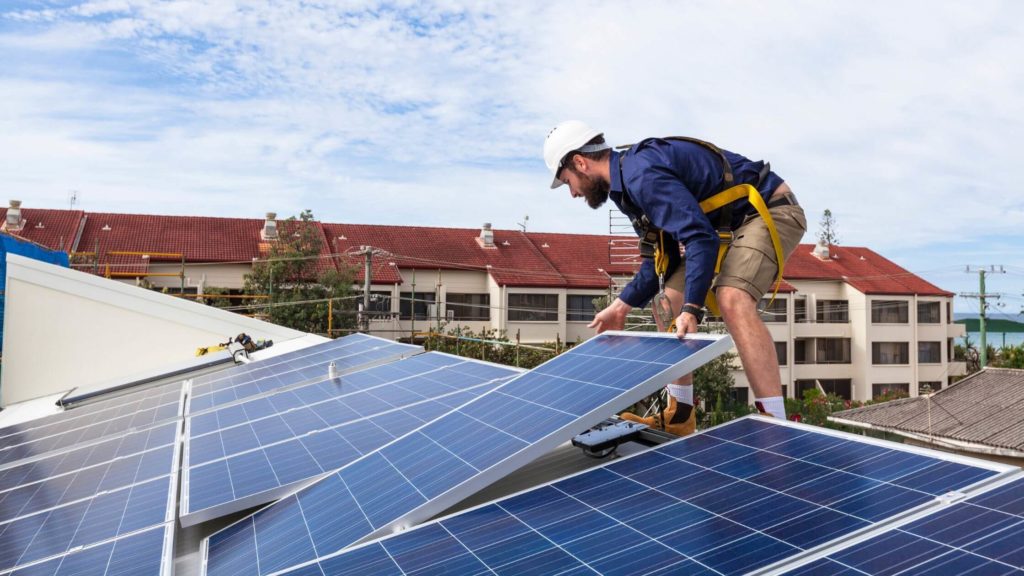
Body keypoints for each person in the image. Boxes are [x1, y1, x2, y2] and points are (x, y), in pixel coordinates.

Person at [543, 120, 806, 434]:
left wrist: (692, 309)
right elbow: (657, 263)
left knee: (732, 297)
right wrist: (620, 307)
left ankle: (775, 425)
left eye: (568, 181)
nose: (572, 193)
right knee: (667, 302)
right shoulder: (626, 186)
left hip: (769, 209)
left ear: (580, 162)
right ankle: (680, 415)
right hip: (723, 228)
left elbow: (700, 238)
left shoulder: (641, 174)